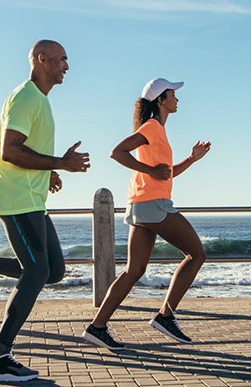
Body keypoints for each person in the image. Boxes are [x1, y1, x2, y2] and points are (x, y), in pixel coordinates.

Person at [0, 39, 90, 382]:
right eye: (62, 59)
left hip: (32, 197)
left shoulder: (39, 100)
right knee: (36, 273)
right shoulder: (26, 98)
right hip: (16, 198)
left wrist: (49, 170)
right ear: (42, 60)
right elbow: (9, 152)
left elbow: (26, 149)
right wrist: (61, 164)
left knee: (53, 271)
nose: (67, 66)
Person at [82, 78, 210, 351]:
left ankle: (97, 327)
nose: (177, 99)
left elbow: (167, 172)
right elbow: (117, 152)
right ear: (161, 100)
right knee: (196, 254)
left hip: (141, 205)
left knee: (134, 270)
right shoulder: (151, 127)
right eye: (173, 95)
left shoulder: (158, 131)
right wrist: (151, 171)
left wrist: (192, 159)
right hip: (154, 204)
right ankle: (165, 316)